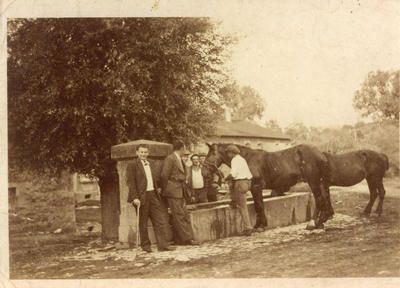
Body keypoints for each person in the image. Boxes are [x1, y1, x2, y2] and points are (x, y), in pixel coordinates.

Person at [126, 144, 174, 253]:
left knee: (160, 221)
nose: (143, 154)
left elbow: (156, 178)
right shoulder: (132, 164)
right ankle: (146, 246)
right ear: (137, 153)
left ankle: (163, 245)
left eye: (145, 152)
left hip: (153, 195)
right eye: (141, 152)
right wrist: (135, 197)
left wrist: (159, 188)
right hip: (141, 197)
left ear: (148, 153)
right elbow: (130, 182)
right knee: (143, 223)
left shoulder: (152, 163)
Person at [161, 140, 199, 245]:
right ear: (182, 148)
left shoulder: (179, 159)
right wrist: (166, 189)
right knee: (179, 215)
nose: (185, 150)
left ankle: (181, 239)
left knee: (182, 214)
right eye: (185, 148)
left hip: (180, 190)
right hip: (173, 190)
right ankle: (187, 239)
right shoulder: (170, 158)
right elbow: (164, 175)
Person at [225, 144, 253, 236]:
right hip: (247, 182)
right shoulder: (241, 159)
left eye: (228, 153)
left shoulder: (234, 160)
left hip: (240, 182)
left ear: (232, 153)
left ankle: (247, 228)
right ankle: (233, 201)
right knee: (241, 203)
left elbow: (234, 174)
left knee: (242, 206)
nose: (228, 155)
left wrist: (226, 178)